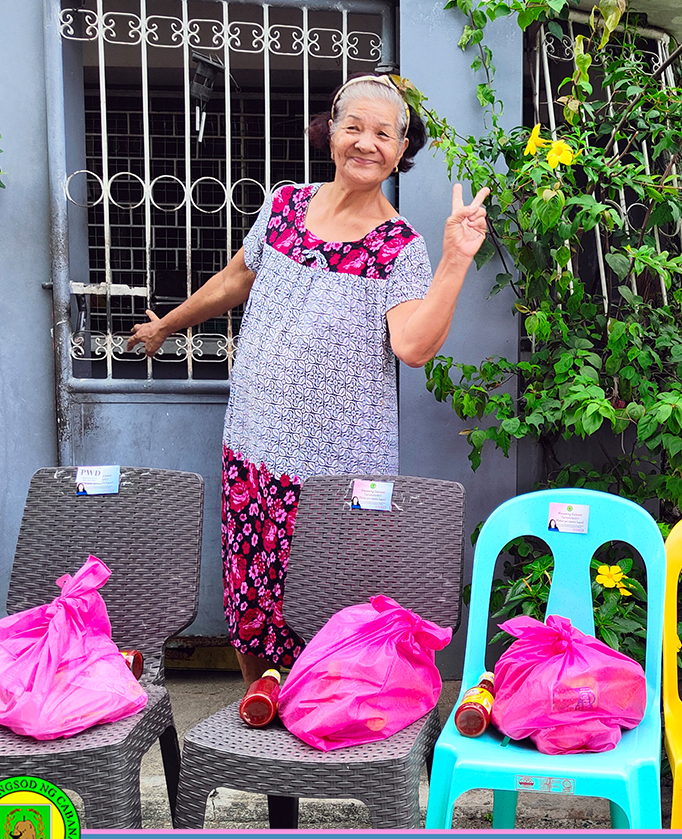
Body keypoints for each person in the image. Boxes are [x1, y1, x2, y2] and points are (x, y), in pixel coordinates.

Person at [127, 73, 490, 686]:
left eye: (383, 133)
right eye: (354, 126)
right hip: (254, 448)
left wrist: (455, 261)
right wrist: (168, 324)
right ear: (330, 134)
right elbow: (235, 280)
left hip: (339, 471)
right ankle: (270, 754)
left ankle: (332, 746)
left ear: (402, 149)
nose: (366, 143)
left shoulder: (401, 247)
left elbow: (413, 347)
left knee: (333, 613)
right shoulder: (283, 206)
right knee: (250, 604)